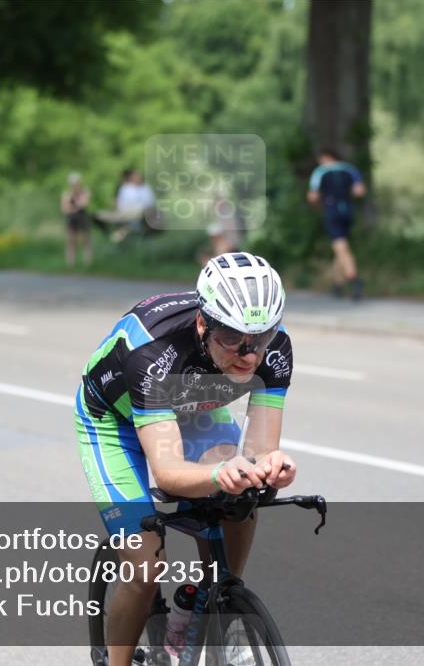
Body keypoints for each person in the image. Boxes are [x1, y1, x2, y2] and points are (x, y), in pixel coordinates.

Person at [75, 252, 296, 666]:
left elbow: (260, 452)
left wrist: (269, 468)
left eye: (260, 339)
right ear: (202, 324)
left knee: (243, 491)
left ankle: (220, 606)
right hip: (114, 421)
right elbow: (170, 473)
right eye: (233, 338)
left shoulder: (276, 347)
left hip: (192, 404)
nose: (249, 355)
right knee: (144, 569)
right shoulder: (152, 352)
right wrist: (219, 472)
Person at [306, 148, 367, 299]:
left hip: (332, 211)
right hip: (347, 211)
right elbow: (360, 191)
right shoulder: (350, 169)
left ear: (326, 157)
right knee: (341, 247)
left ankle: (354, 279)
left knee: (341, 248)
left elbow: (312, 196)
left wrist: (322, 201)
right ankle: (337, 284)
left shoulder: (320, 172)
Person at [61, 172, 92, 268]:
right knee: (70, 241)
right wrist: (74, 205)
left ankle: (88, 263)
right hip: (71, 219)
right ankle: (70, 264)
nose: (75, 186)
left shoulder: (85, 192)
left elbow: (84, 204)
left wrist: (72, 206)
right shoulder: (67, 194)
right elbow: (64, 209)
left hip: (82, 218)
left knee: (85, 240)